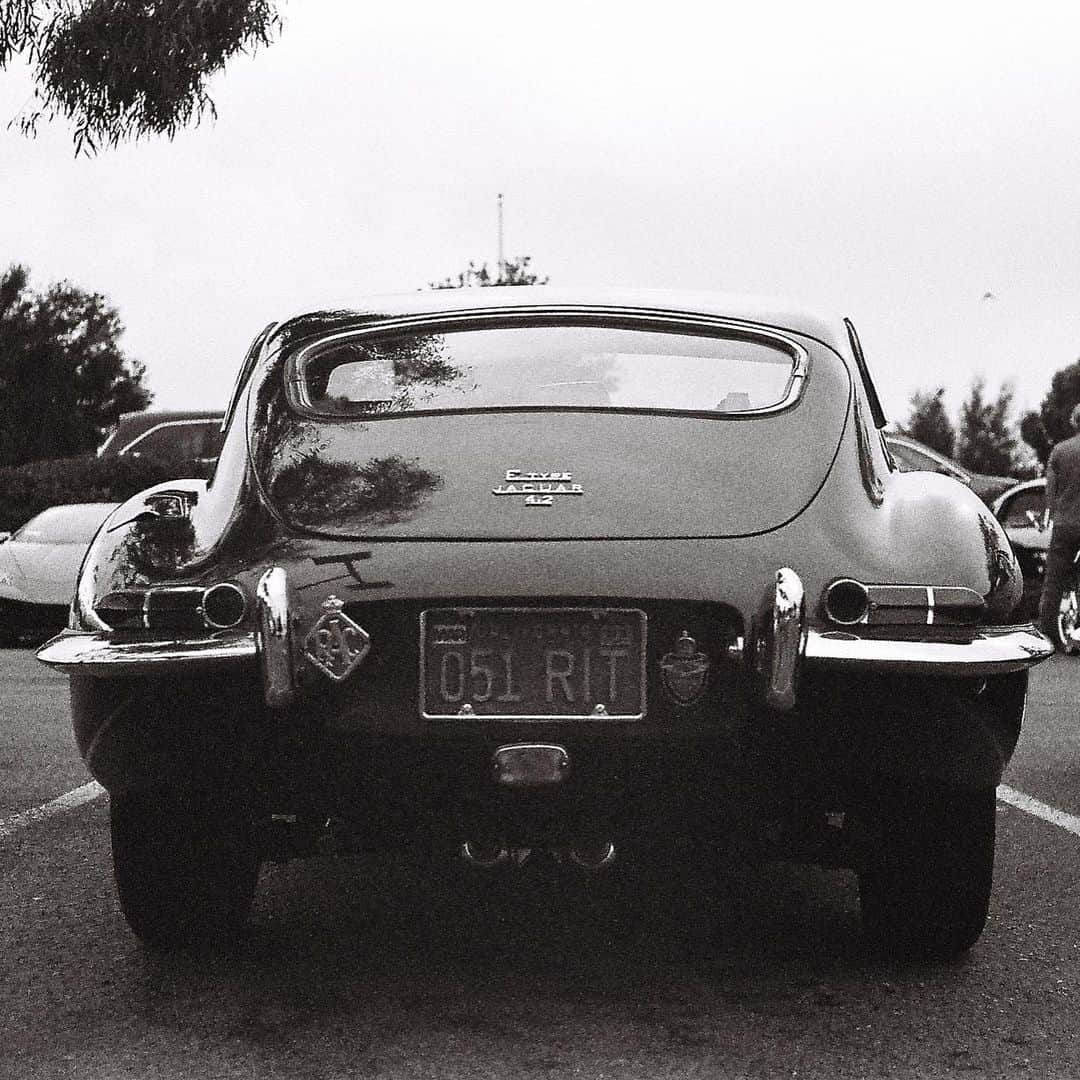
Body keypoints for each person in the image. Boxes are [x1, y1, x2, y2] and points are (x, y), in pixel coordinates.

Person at [1038, 402, 1080, 646]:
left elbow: (1050, 492)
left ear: (1074, 422)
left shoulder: (1060, 452)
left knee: (1054, 580)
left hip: (1065, 524)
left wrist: (1053, 514)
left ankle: (1048, 632)